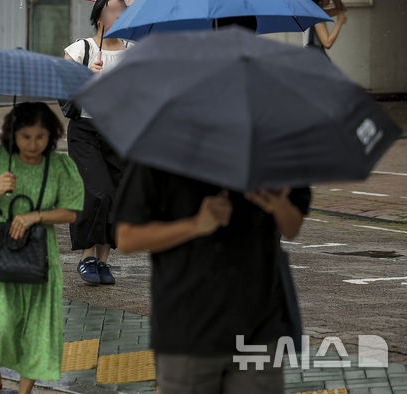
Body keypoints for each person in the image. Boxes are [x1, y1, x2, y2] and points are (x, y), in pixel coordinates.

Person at [113, 162, 311, 394]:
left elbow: (292, 226)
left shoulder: (272, 152)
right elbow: (127, 237)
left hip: (258, 327)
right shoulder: (161, 154)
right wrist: (195, 225)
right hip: (187, 330)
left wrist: (278, 205)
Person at [0, 102, 84, 394]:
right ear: (13, 134)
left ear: (51, 136)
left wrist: (37, 215)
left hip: (39, 255)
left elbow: (71, 212)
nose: (33, 145)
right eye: (25, 137)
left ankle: (24, 391)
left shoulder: (60, 166)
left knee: (37, 329)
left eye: (40, 137)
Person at [62, 0, 129, 286]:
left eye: (123, 10)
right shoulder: (80, 50)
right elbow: (63, 91)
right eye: (113, 9)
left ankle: (104, 260)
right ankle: (86, 256)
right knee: (95, 190)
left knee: (115, 195)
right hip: (86, 130)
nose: (119, 14)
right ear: (99, 17)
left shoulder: (134, 52)